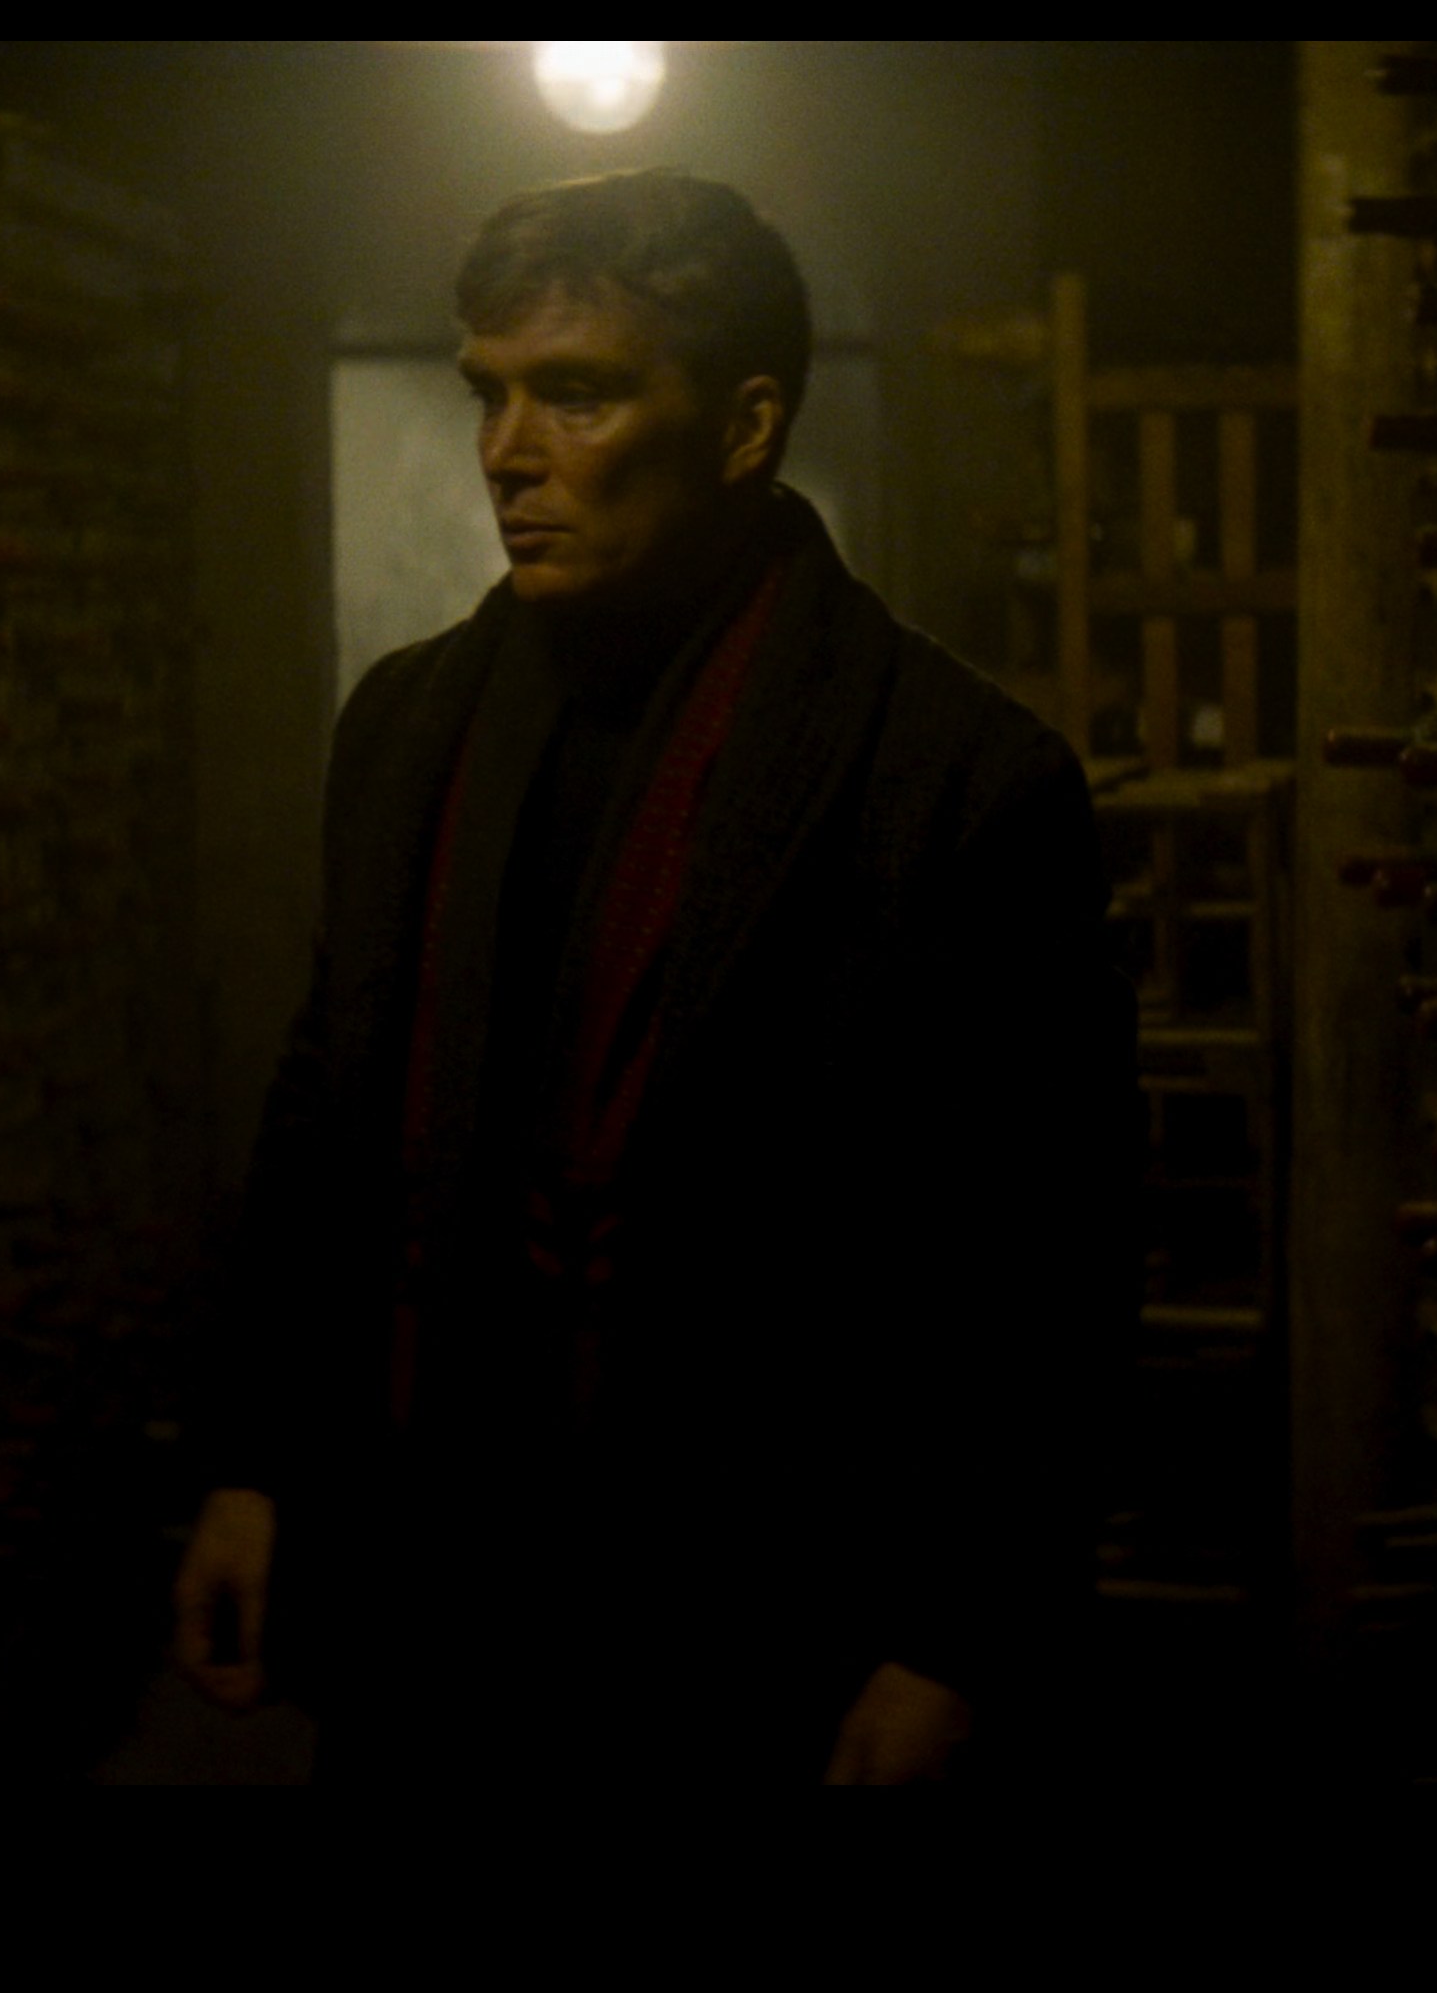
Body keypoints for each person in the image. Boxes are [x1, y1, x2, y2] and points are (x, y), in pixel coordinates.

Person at [174, 169, 1138, 1785]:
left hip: (750, 1618)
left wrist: (962, 1636)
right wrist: (257, 1463)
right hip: (431, 1590)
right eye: (488, 394)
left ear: (745, 426)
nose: (508, 451)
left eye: (579, 394)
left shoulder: (953, 780)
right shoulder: (410, 726)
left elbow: (1046, 1252)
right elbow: (328, 1111)